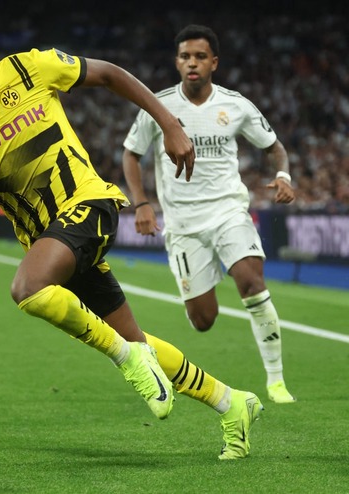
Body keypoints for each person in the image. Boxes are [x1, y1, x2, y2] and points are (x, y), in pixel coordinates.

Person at [0, 10, 262, 460]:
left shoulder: (31, 68)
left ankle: (126, 360)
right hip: (49, 238)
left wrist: (170, 123)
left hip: (89, 205)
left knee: (27, 288)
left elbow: (111, 75)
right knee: (138, 341)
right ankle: (233, 404)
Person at [122, 24, 296, 405]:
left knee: (252, 280)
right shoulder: (159, 105)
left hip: (228, 211)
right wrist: (142, 203)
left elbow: (275, 147)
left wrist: (282, 175)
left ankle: (277, 381)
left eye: (200, 56)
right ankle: (204, 280)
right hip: (183, 225)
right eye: (185, 56)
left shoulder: (236, 105)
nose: (192, 63)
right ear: (177, 62)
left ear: (213, 62)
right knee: (203, 320)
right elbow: (131, 154)